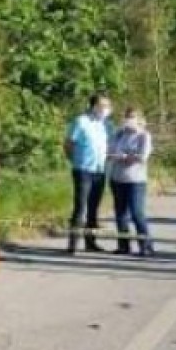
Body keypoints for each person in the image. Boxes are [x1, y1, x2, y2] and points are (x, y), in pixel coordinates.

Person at [64, 93, 114, 254]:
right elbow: (68, 144)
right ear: (93, 106)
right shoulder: (81, 121)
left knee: (94, 208)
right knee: (80, 207)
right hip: (83, 170)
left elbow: (111, 145)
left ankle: (90, 242)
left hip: (100, 170)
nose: (105, 109)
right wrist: (75, 161)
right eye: (102, 106)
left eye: (107, 106)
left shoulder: (108, 125)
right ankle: (73, 244)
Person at [108, 109, 154, 257]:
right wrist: (119, 156)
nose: (128, 120)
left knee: (136, 213)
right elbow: (109, 152)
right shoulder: (119, 134)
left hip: (136, 180)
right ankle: (123, 245)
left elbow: (142, 157)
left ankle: (146, 246)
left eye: (132, 117)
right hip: (117, 178)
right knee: (120, 214)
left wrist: (124, 157)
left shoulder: (143, 135)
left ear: (140, 119)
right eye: (127, 117)